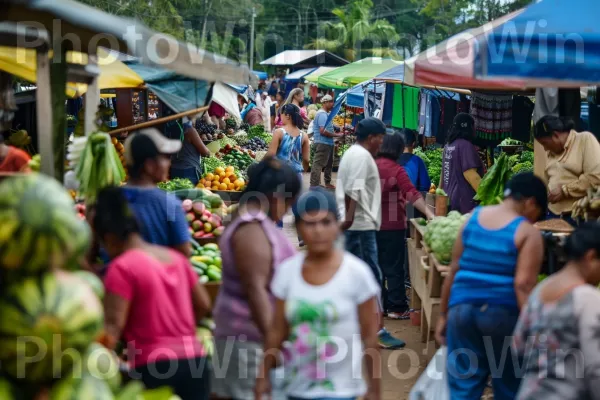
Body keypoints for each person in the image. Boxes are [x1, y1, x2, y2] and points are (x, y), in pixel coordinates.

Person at [255, 189, 381, 400]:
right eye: (309, 224)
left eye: (326, 222)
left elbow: (369, 336)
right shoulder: (287, 274)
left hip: (342, 391)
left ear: (337, 225)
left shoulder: (357, 274)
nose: (318, 231)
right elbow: (276, 331)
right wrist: (262, 377)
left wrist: (375, 390)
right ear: (298, 228)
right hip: (294, 388)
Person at [435, 172, 547, 400]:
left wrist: (444, 314)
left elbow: (454, 270)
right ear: (531, 202)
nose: (535, 220)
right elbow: (523, 285)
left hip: (461, 310)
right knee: (508, 385)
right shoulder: (527, 232)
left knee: (463, 387)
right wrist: (535, 329)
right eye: (538, 214)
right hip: (501, 313)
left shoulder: (471, 218)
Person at [96, 187, 211, 400]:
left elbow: (113, 327)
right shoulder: (175, 259)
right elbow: (203, 304)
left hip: (154, 368)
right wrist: (178, 334)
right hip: (196, 363)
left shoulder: (121, 268)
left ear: (110, 238)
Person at [212, 157, 302, 400]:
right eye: (289, 201)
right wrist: (273, 346)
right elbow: (256, 291)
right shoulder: (251, 229)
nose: (287, 209)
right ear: (277, 196)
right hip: (249, 344)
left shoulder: (253, 222)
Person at [336, 117, 405, 349]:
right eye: (381, 138)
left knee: (359, 278)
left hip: (358, 225)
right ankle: (377, 330)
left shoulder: (355, 154)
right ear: (372, 138)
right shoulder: (361, 156)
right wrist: (348, 218)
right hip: (360, 227)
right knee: (371, 279)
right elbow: (353, 189)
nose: (382, 143)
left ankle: (360, 328)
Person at [513, 222, 600, 399]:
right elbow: (595, 367)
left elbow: (518, 344)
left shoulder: (541, 290)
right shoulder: (586, 298)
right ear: (591, 257)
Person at [376, 133, 434, 320]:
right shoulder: (396, 169)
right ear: (398, 150)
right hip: (393, 226)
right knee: (394, 267)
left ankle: (379, 306)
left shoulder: (370, 166)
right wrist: (429, 213)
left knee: (375, 266)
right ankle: (396, 307)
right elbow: (412, 194)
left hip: (371, 224)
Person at [534, 115, 600, 223]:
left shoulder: (584, 140)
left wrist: (565, 190)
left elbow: (596, 176)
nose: (545, 148)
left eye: (545, 143)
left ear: (555, 135)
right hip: (552, 214)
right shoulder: (550, 152)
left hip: (579, 216)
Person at [440, 113, 484, 214]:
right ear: (469, 127)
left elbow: (443, 172)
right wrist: (488, 197)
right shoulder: (466, 146)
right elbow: (471, 175)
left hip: (449, 200)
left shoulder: (448, 146)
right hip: (464, 204)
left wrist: (440, 195)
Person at [169, 117, 211, 186]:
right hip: (189, 171)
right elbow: (205, 153)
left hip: (174, 169)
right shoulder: (189, 130)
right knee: (190, 195)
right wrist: (209, 152)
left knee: (177, 193)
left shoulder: (172, 128)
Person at [310, 95, 338, 189]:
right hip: (323, 142)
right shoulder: (322, 114)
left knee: (329, 163)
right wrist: (337, 135)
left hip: (328, 143)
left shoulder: (326, 114)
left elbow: (328, 127)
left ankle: (327, 182)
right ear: (325, 103)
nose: (332, 104)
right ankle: (314, 184)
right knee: (318, 163)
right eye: (330, 102)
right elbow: (322, 131)